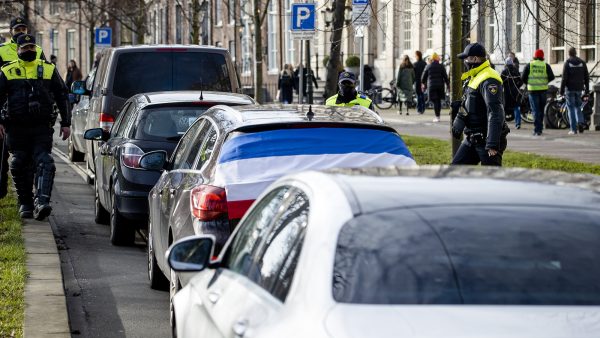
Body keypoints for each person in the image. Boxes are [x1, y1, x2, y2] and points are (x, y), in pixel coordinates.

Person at [0, 34, 71, 220]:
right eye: (25, 48)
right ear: (18, 50)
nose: (29, 50)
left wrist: (66, 123)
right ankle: (25, 203)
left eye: (32, 47)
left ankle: (43, 201)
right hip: (16, 127)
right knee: (18, 163)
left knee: (45, 162)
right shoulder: (8, 71)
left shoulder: (48, 69)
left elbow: (62, 96)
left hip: (41, 126)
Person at [0, 17, 46, 199]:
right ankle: (2, 190)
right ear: (11, 31)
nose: (21, 31)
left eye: (23, 28)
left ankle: (31, 193)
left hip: (31, 107)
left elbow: (43, 74)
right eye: (17, 28)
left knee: (31, 156)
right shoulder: (2, 50)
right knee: (4, 154)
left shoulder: (37, 50)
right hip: (8, 104)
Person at [451, 42, 509, 166]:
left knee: (492, 180)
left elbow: (496, 112)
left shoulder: (489, 78)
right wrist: (460, 116)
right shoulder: (475, 75)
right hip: (472, 139)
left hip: (487, 142)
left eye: (467, 58)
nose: (465, 61)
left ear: (475, 59)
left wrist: (492, 144)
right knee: (454, 172)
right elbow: (472, 103)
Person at [522, 49, 555, 136]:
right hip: (543, 90)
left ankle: (537, 129)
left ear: (535, 56)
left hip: (532, 90)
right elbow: (552, 77)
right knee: (541, 110)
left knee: (535, 110)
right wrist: (545, 81)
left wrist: (528, 83)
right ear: (542, 57)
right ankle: (540, 128)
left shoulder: (530, 65)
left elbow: (523, 77)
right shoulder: (545, 65)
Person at [560, 47, 590, 135]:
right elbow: (586, 77)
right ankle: (580, 122)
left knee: (570, 108)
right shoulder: (582, 62)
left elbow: (564, 78)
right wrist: (587, 88)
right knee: (578, 107)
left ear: (569, 53)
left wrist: (561, 90)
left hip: (569, 88)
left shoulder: (567, 63)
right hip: (579, 88)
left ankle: (573, 129)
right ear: (576, 53)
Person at [421, 52, 449, 122]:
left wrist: (423, 83)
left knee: (435, 101)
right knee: (438, 101)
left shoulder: (428, 66)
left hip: (432, 86)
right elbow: (445, 77)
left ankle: (437, 116)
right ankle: (438, 116)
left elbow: (423, 77)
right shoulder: (441, 66)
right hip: (440, 86)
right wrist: (448, 85)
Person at [501, 57, 523, 129]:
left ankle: (502, 123)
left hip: (507, 93)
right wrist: (517, 86)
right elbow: (521, 81)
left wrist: (503, 87)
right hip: (516, 93)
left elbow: (500, 82)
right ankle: (518, 124)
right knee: (517, 108)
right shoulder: (516, 71)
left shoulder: (504, 72)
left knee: (504, 108)